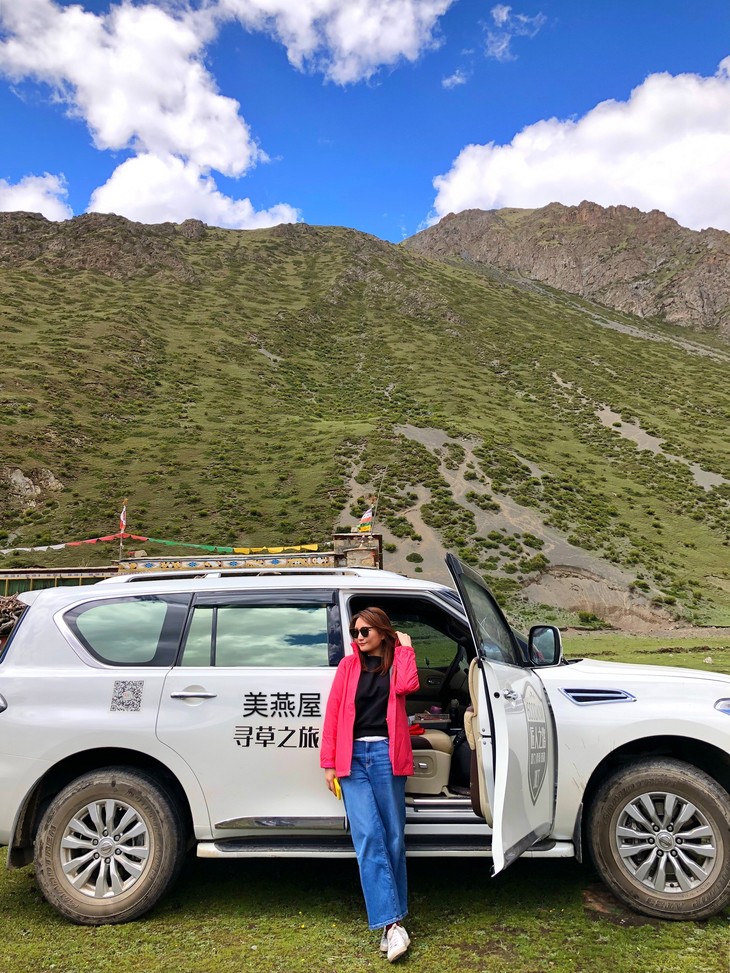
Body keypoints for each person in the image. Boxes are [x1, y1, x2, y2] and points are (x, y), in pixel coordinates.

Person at [320, 606, 420, 962]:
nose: (359, 637)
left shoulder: (396, 664)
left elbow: (408, 686)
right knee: (367, 838)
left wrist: (405, 650)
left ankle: (391, 925)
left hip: (386, 756)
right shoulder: (348, 667)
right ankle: (392, 925)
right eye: (355, 632)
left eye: (365, 631)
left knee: (392, 838)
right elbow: (333, 713)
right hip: (352, 760)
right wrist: (329, 763)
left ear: (382, 632)